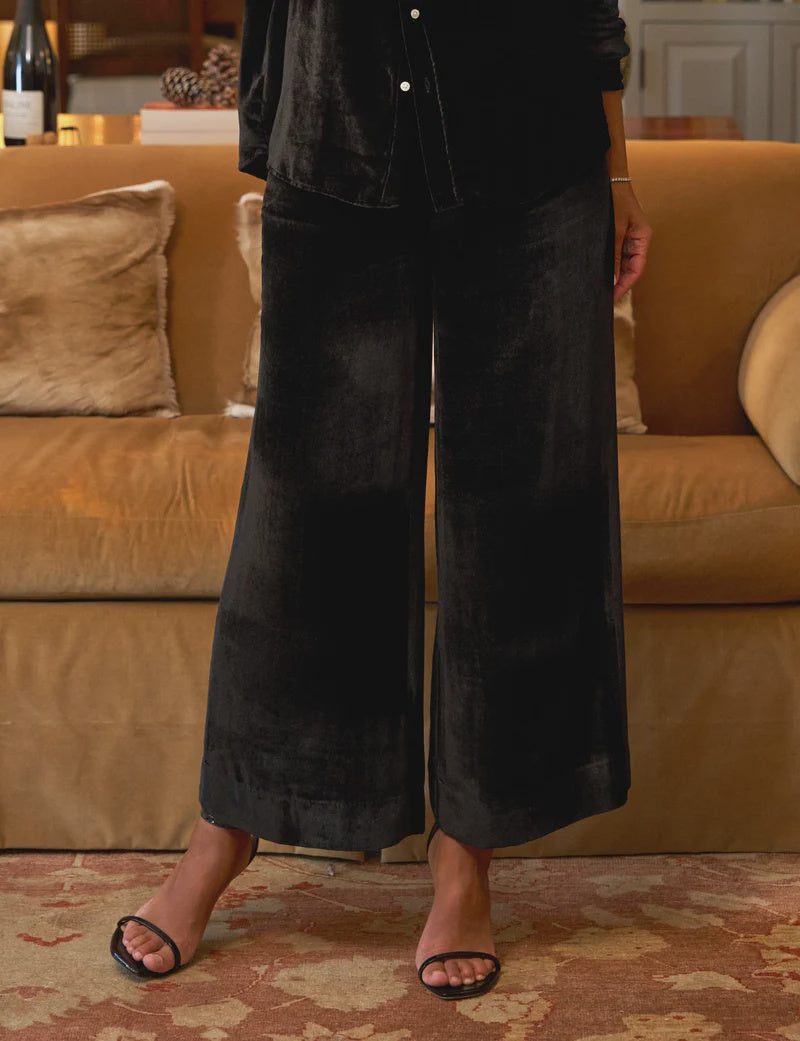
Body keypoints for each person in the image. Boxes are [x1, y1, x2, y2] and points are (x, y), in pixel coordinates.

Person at [110, 0, 653, 1000]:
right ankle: (228, 829)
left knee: (523, 509)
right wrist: (272, 136)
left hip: (530, 153)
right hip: (333, 150)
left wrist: (616, 169)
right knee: (303, 516)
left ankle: (467, 856)